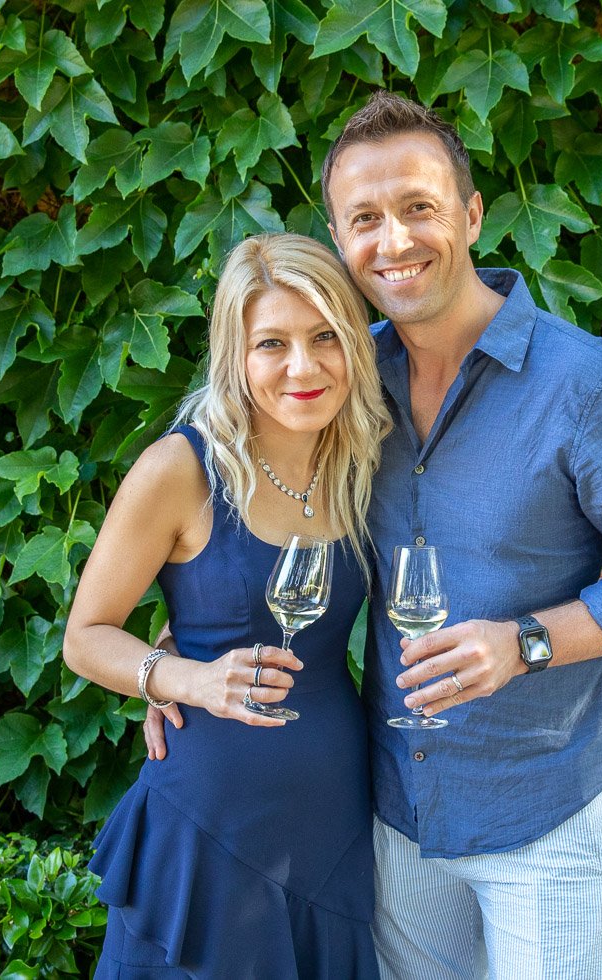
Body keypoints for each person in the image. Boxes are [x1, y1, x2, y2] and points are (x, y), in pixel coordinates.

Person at [321, 92, 602, 977]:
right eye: (365, 219)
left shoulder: (586, 384)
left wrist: (524, 642)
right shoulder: (346, 383)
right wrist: (195, 640)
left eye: (418, 207)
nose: (393, 241)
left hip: (544, 806)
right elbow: (270, 511)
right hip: (399, 804)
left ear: (469, 216)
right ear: (340, 238)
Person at [63, 232, 390, 978]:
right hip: (209, 820)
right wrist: (184, 678)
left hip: (334, 814)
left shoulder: (366, 459)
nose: (303, 367)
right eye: (271, 343)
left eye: (324, 338)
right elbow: (84, 636)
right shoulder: (181, 469)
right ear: (235, 358)